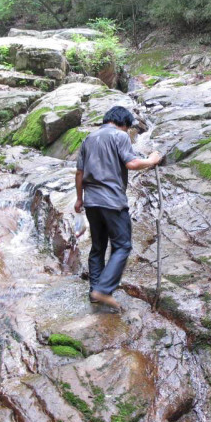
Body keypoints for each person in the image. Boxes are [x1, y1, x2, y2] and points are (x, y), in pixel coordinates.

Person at [74, 106, 162, 311]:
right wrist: (151, 160)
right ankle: (103, 290)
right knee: (122, 246)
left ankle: (95, 292)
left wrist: (79, 199)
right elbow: (131, 163)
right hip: (112, 201)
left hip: (92, 202)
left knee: (98, 247)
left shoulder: (89, 139)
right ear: (123, 123)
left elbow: (79, 173)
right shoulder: (120, 136)